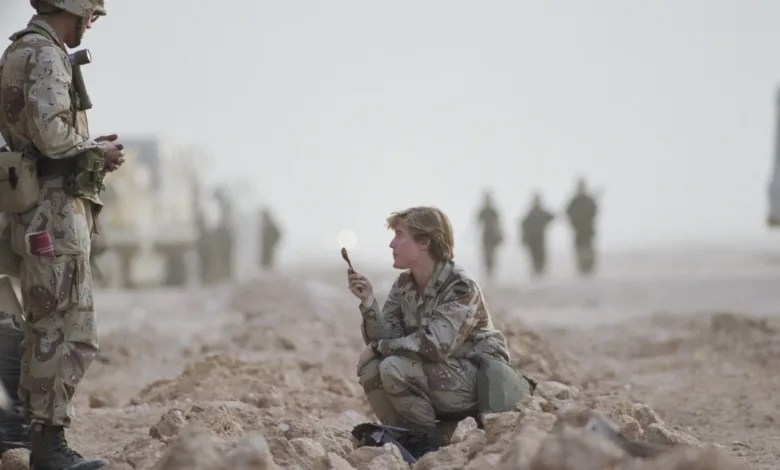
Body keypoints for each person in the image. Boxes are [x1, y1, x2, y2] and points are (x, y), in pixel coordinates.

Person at [0, 0, 125, 468]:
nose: (91, 23)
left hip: (33, 208)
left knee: (42, 326)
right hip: (54, 209)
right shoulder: (47, 55)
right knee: (68, 329)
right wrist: (99, 151)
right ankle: (50, 449)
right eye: (90, 14)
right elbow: (52, 137)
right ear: (72, 9)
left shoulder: (19, 50)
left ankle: (43, 443)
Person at [347, 206, 532, 457]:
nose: (392, 244)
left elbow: (435, 345)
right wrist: (368, 303)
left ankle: (427, 442)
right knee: (372, 368)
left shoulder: (459, 285)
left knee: (392, 366)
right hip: (441, 372)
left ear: (424, 242)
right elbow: (384, 336)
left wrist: (379, 348)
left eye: (400, 235)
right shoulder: (405, 284)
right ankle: (405, 437)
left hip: (475, 379)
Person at [565, 178, 599, 276]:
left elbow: (594, 211)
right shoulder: (574, 201)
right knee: (580, 249)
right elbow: (568, 212)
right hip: (578, 230)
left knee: (588, 249)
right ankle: (582, 269)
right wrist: (575, 222)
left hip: (588, 229)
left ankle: (589, 268)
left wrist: (587, 218)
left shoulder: (589, 200)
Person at [520, 192, 555, 278]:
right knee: (535, 256)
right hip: (532, 239)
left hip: (539, 238)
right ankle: (537, 272)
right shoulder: (531, 214)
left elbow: (551, 217)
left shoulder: (540, 213)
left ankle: (540, 272)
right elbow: (524, 224)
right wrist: (524, 238)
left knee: (540, 255)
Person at [475, 191, 503, 280]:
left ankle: (491, 273)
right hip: (485, 236)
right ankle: (488, 273)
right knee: (486, 255)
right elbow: (477, 224)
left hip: (492, 236)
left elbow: (498, 224)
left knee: (492, 255)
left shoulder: (493, 212)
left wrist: (499, 235)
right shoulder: (482, 211)